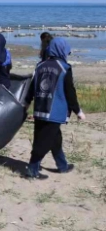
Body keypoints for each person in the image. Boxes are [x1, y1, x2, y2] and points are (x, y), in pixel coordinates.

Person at [22, 38, 85, 180]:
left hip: (39, 110)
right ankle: (32, 169)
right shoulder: (64, 68)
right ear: (62, 50)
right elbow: (70, 92)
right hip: (54, 112)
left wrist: (26, 104)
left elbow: (32, 88)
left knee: (54, 138)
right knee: (43, 142)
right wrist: (78, 111)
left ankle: (62, 165)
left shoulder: (40, 66)